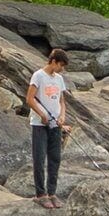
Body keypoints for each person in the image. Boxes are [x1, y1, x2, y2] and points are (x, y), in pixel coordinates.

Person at [27, 46, 72, 205]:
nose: (61, 69)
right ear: (53, 61)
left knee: (55, 158)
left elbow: (61, 101)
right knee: (39, 159)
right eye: (60, 65)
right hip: (39, 124)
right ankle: (41, 194)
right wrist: (42, 114)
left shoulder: (59, 79)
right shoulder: (38, 76)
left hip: (55, 125)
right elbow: (30, 99)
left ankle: (52, 193)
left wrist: (62, 117)